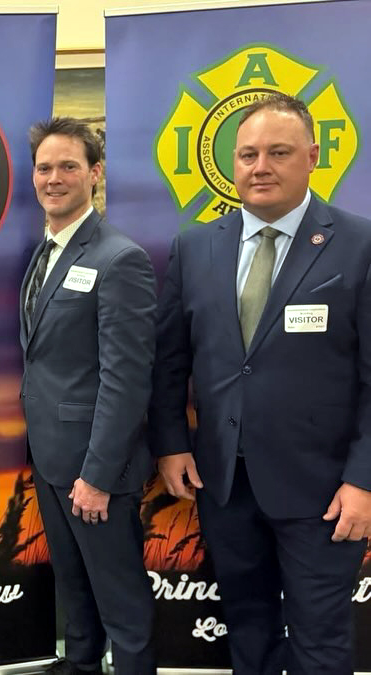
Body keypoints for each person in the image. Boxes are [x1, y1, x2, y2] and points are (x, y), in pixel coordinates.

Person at [150, 92, 371, 674]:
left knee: (320, 642)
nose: (260, 167)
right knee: (248, 631)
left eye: (278, 152)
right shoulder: (195, 246)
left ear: (313, 156)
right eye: (248, 155)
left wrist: (364, 480)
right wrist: (171, 443)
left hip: (324, 491)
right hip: (225, 483)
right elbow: (170, 361)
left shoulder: (359, 245)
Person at [21, 117, 157, 675]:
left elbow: (126, 380)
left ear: (95, 173)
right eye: (44, 168)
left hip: (96, 469)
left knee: (119, 597)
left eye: (68, 166)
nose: (54, 178)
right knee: (74, 584)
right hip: (51, 457)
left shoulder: (119, 259)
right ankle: (78, 665)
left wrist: (97, 477)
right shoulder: (46, 251)